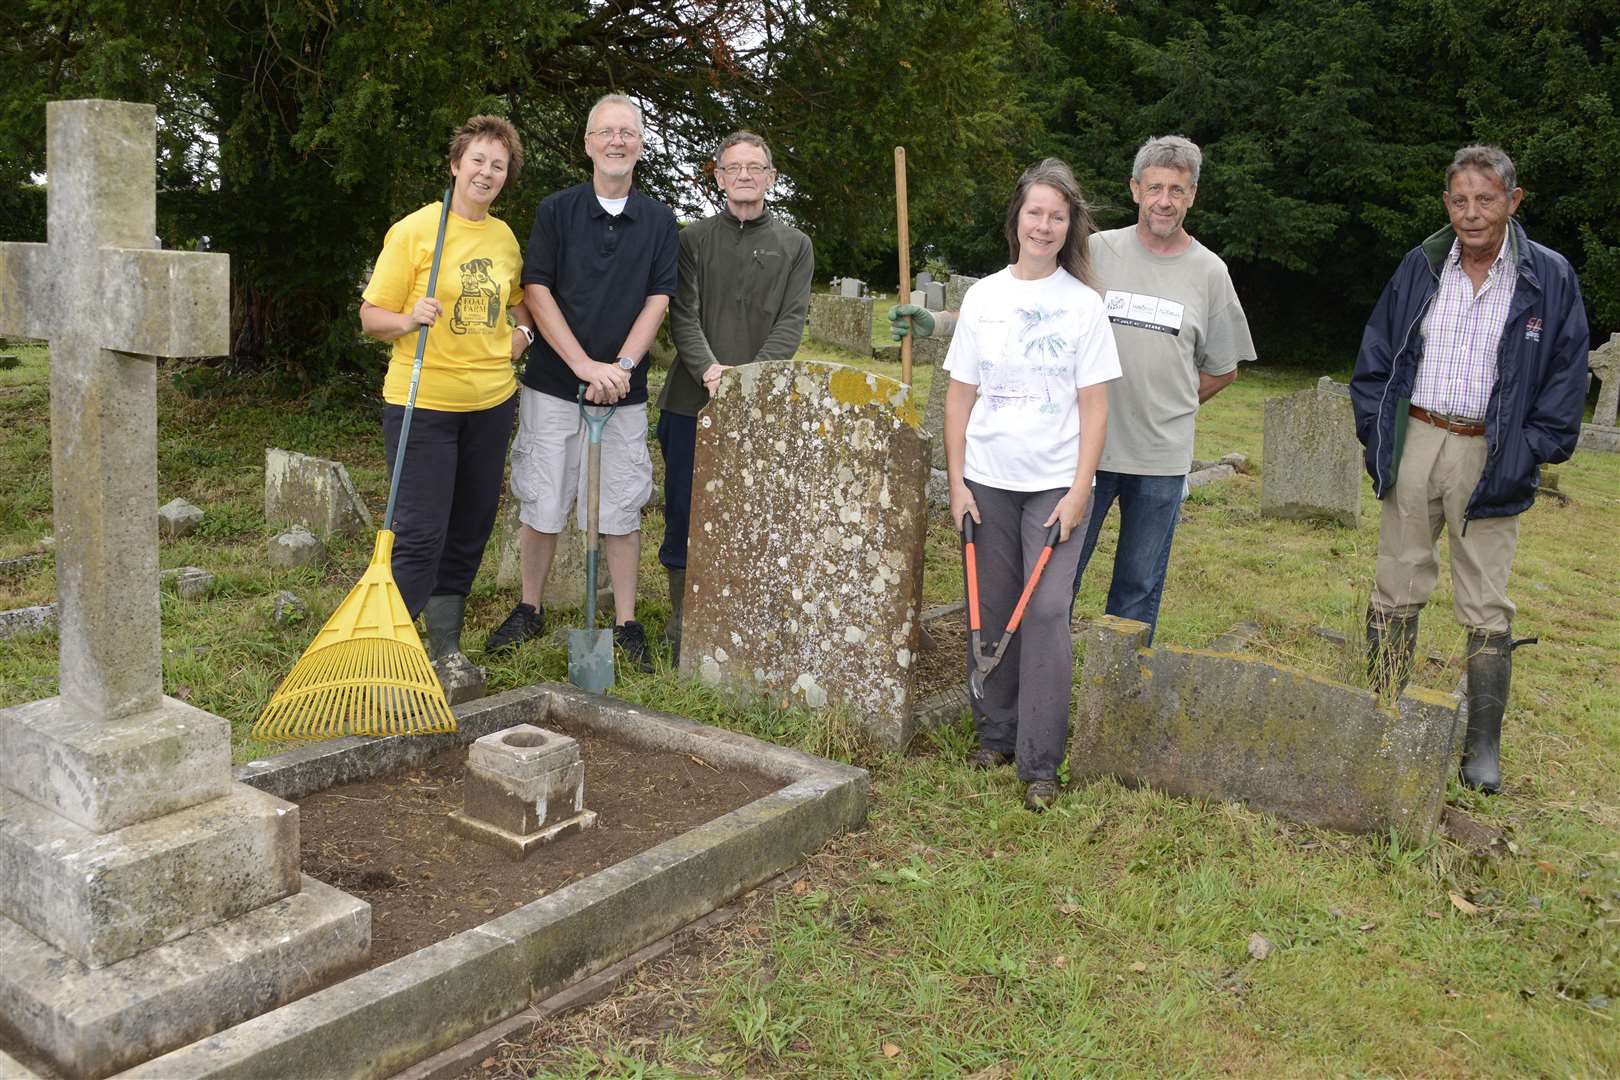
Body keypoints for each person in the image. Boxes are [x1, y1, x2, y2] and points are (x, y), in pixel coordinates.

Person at [894, 135, 1254, 643]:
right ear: (1135, 190)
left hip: (1159, 459)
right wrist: (938, 321)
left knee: (1137, 585)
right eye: (1155, 187)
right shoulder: (1097, 252)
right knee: (1052, 586)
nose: (1165, 200)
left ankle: (1118, 688)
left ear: (1192, 195)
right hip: (1081, 457)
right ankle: (1039, 672)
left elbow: (1224, 367)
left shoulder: (1210, 272)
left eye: (1177, 189)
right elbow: (1021, 305)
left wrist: (1172, 407)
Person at [1351, 144, 1589, 794]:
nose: (1472, 213)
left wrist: (1532, 448)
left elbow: (1568, 375)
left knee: (1485, 599)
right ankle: (1383, 713)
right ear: (1446, 204)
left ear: (1514, 201)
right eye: (1459, 199)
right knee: (1396, 579)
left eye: (1486, 199)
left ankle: (1482, 749)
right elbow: (1377, 351)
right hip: (1420, 436)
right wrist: (1378, 430)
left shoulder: (1548, 277)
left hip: (1492, 449)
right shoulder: (1422, 265)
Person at [942, 158, 1120, 811]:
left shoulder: (1082, 305)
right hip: (987, 481)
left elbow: (1096, 408)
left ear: (1068, 224)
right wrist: (958, 483)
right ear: (1016, 218)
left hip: (1055, 485)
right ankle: (997, 733)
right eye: (1034, 212)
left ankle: (1041, 763)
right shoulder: (984, 297)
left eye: (1057, 215)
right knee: (990, 608)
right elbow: (960, 398)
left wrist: (1079, 491)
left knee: (1044, 612)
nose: (1044, 225)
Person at [484, 94, 679, 671]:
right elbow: (536, 291)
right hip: (553, 384)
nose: (617, 141)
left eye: (628, 131)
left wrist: (618, 368)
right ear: (589, 143)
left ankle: (625, 621)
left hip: (623, 391)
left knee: (620, 504)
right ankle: (530, 607)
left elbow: (659, 298)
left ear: (640, 144)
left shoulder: (660, 220)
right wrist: (582, 366)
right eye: (606, 132)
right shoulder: (557, 211)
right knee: (543, 496)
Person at [359, 114, 534, 666]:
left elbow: (518, 299)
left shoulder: (503, 237)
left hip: (491, 405)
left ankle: (445, 650)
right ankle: (389, 653)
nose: (486, 172)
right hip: (424, 405)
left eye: (498, 165)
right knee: (420, 532)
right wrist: (409, 318)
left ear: (506, 177)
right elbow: (370, 316)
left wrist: (523, 334)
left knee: (470, 525)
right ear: (456, 165)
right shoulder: (416, 230)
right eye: (477, 160)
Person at [658, 131, 815, 661]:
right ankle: (682, 616)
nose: (745, 176)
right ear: (719, 178)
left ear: (771, 178)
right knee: (683, 505)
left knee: (752, 510)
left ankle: (741, 610)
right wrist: (708, 371)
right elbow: (683, 312)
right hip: (688, 400)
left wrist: (747, 380)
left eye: (756, 167)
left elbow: (791, 320)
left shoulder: (795, 245)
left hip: (760, 404)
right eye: (734, 168)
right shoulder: (693, 239)